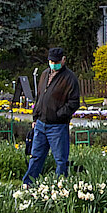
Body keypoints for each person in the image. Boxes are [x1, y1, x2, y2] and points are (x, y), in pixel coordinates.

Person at [23, 47, 80, 184]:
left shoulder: (70, 78)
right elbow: (39, 98)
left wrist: (58, 115)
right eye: (51, 61)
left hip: (57, 126)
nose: (53, 64)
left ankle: (60, 186)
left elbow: (74, 102)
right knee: (36, 156)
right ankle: (28, 185)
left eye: (56, 62)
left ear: (63, 60)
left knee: (60, 160)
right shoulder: (44, 74)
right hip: (41, 124)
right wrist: (35, 117)